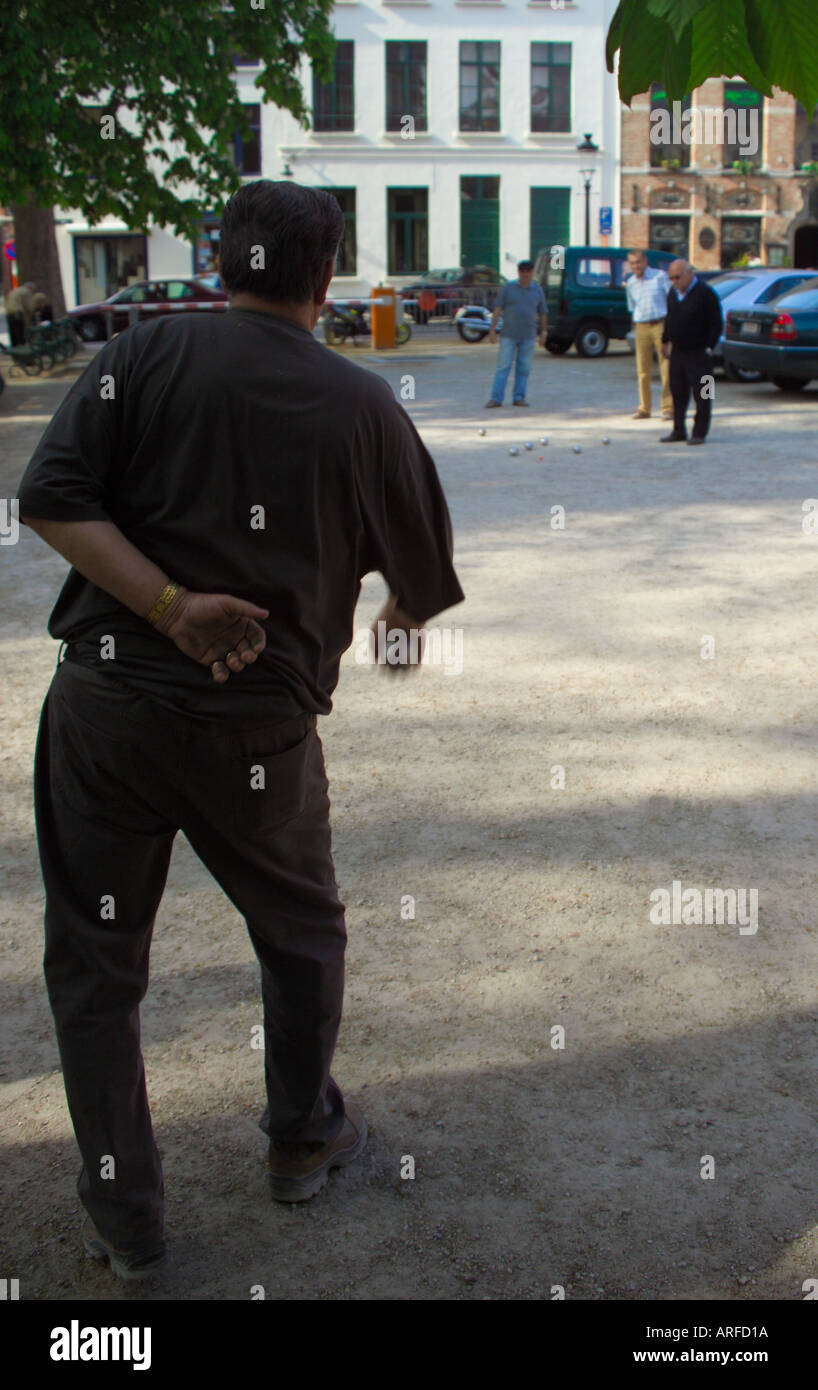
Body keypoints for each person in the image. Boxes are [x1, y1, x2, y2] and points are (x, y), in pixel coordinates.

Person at [16, 179, 465, 1281]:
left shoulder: (143, 356)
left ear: (221, 265)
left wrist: (167, 607)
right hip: (256, 736)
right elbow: (417, 596)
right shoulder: (364, 407)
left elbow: (52, 502)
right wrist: (382, 636)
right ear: (328, 276)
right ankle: (302, 1137)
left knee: (97, 965)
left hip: (107, 711)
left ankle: (128, 1222)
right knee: (300, 931)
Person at [660, 259, 723, 445]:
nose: (674, 282)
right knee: (677, 392)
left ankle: (700, 432)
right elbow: (669, 317)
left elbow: (716, 323)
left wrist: (709, 347)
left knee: (704, 393)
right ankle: (678, 430)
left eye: (677, 277)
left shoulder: (706, 293)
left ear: (689, 273)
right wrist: (665, 340)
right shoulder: (673, 293)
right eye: (671, 278)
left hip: (700, 352)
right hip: (678, 352)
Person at [485, 259, 547, 407]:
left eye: (528, 271)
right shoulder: (508, 288)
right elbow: (498, 308)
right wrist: (492, 329)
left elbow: (543, 312)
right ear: (518, 272)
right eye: (522, 271)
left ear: (532, 272)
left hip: (529, 335)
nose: (525, 274)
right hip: (508, 335)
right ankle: (496, 398)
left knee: (524, 368)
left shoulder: (537, 290)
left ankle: (519, 397)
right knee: (503, 366)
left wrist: (544, 332)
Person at [625, 250, 673, 421]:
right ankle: (644, 408)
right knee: (642, 369)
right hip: (641, 326)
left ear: (645, 261)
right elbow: (632, 307)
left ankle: (668, 408)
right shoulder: (630, 283)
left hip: (660, 324)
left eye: (638, 262)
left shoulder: (659, 277)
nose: (636, 266)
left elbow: (672, 300)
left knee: (666, 367)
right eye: (632, 263)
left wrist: (669, 326)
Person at [4, 280, 37, 346]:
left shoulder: (14, 291)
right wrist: (32, 313)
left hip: (9, 313)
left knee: (13, 333)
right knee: (20, 332)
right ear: (30, 288)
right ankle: (22, 348)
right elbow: (28, 306)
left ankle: (15, 349)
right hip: (18, 313)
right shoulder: (26, 292)